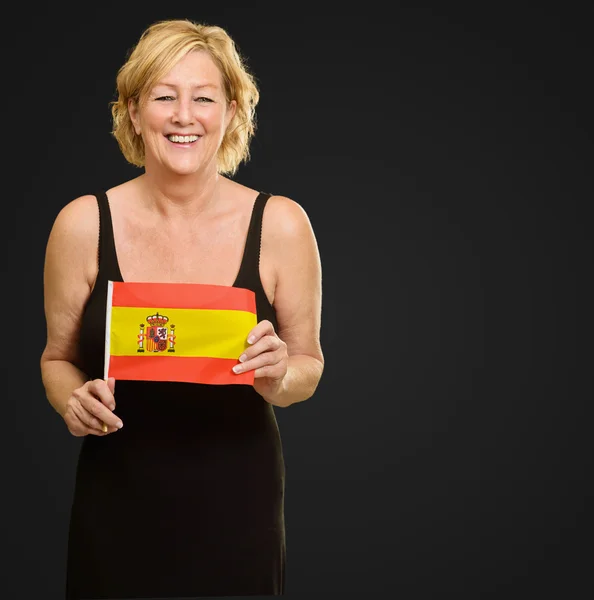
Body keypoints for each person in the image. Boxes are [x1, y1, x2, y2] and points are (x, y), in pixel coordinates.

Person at [40, 18, 323, 599]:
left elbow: (308, 366)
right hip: (114, 502)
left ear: (233, 111)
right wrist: (72, 397)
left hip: (238, 507)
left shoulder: (282, 224)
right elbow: (56, 359)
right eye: (164, 97)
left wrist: (278, 374)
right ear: (134, 112)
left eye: (203, 98)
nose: (183, 116)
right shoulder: (82, 223)